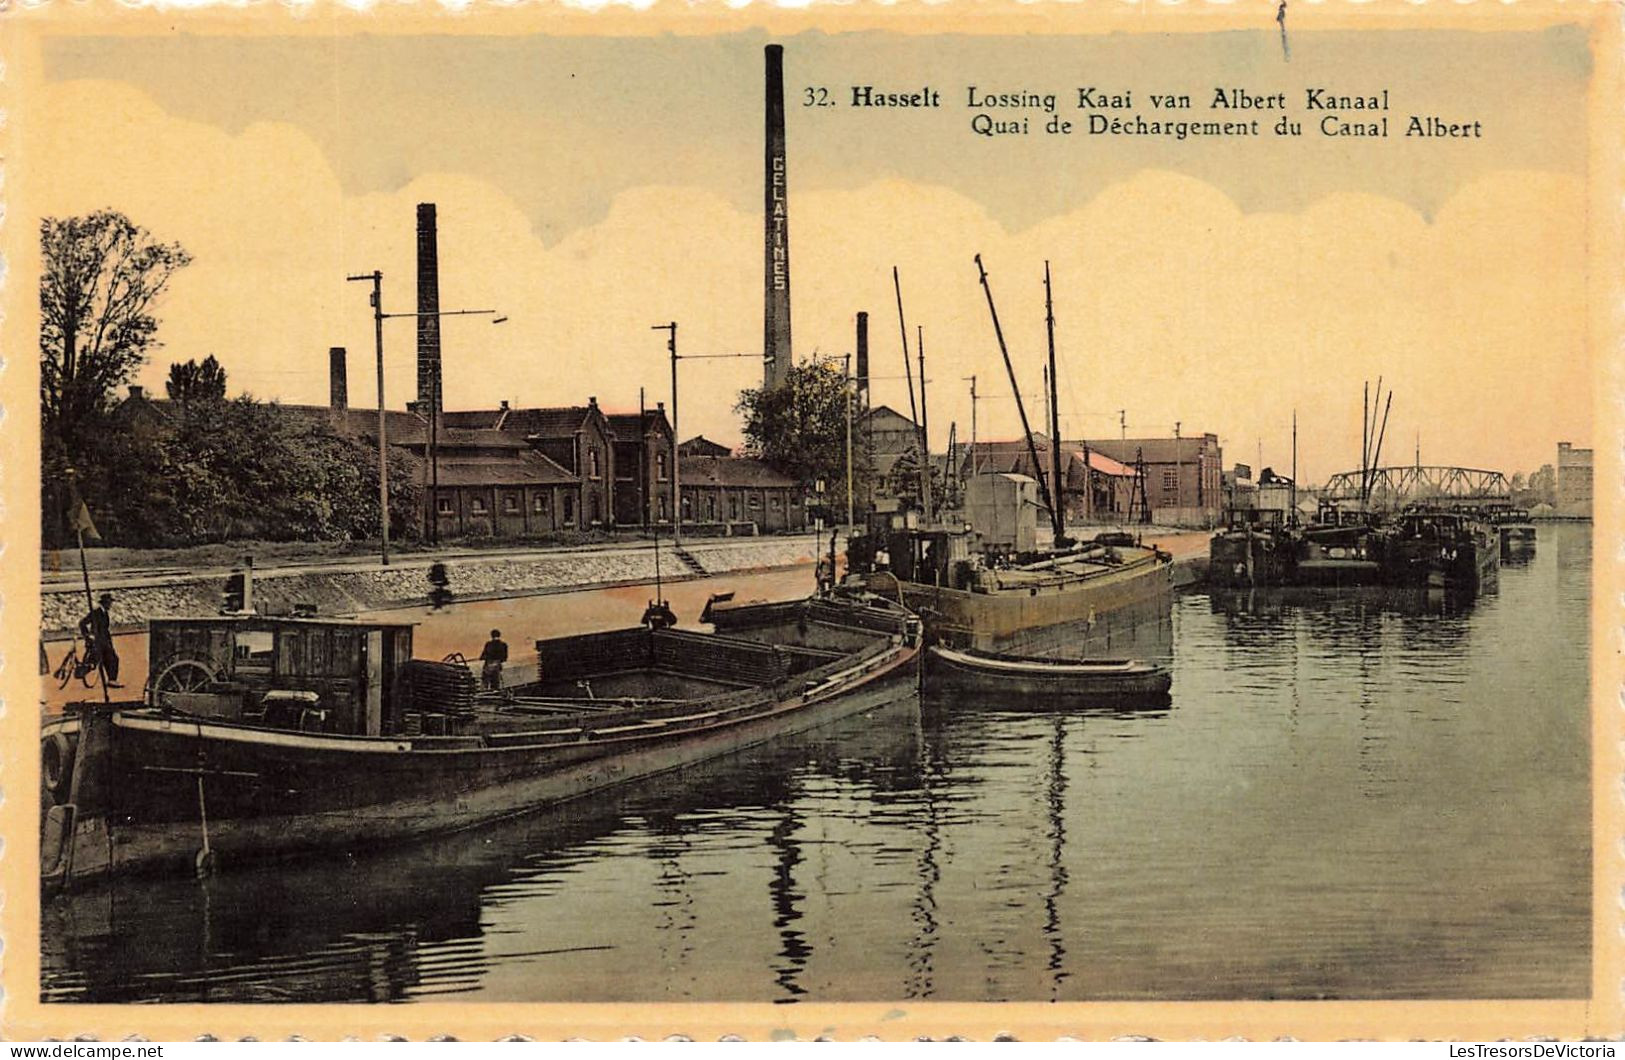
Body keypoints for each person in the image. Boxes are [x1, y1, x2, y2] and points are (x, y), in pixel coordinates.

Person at [79, 592, 121, 687]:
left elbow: (105, 629)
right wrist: (87, 635)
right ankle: (85, 669)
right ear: (105, 603)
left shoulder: (105, 613)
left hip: (105, 641)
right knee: (103, 659)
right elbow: (82, 623)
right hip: (97, 642)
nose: (110, 605)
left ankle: (112, 679)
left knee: (113, 658)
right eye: (109, 603)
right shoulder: (96, 613)